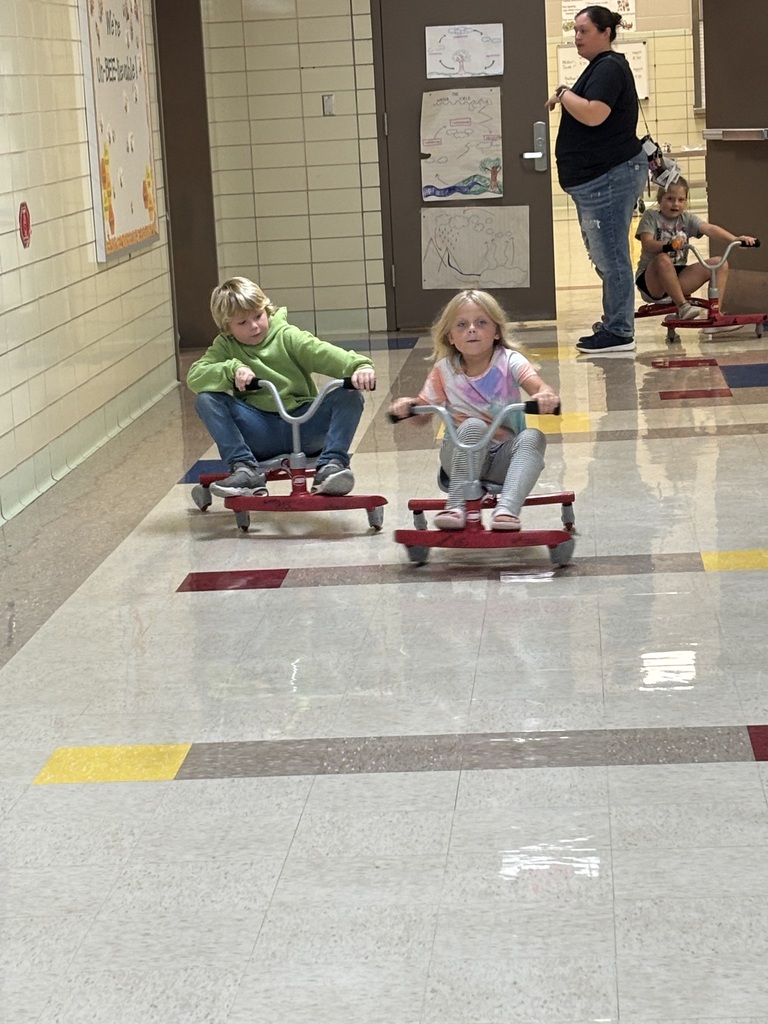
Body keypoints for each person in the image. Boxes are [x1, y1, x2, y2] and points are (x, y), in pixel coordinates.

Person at [187, 277, 376, 497]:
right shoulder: (225, 346)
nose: (254, 326)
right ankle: (245, 468)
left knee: (349, 395)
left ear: (266, 310)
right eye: (242, 323)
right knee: (206, 400)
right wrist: (231, 370)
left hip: (305, 426)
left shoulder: (287, 336)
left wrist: (359, 366)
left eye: (258, 316)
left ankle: (331, 466)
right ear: (227, 328)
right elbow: (195, 377)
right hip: (259, 431)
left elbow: (323, 353)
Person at [388, 289, 560, 531]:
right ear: (450, 336)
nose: (471, 329)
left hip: (503, 458)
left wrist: (545, 396)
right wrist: (409, 408)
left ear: (496, 332)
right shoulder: (444, 370)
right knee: (473, 425)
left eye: (481, 323)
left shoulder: (510, 361)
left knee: (533, 437)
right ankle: (456, 504)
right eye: (461, 324)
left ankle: (507, 509)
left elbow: (538, 386)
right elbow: (423, 414)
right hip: (460, 456)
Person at [546, 5, 647, 354]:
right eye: (574, 31)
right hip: (599, 179)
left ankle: (619, 331)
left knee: (612, 255)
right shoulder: (599, 68)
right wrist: (564, 91)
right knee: (605, 255)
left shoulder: (609, 67)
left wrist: (562, 94)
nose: (576, 37)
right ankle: (614, 322)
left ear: (606, 32)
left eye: (583, 30)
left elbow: (593, 114)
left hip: (610, 176)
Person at [635, 177, 758, 321]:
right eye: (670, 199)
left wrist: (735, 239)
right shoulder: (651, 216)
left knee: (719, 264)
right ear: (660, 199)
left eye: (681, 200)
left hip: (678, 276)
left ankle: (716, 314)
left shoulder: (686, 219)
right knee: (663, 259)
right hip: (652, 281)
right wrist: (668, 245)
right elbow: (647, 244)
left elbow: (710, 229)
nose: (676, 204)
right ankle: (683, 306)